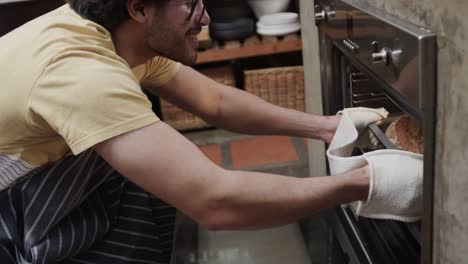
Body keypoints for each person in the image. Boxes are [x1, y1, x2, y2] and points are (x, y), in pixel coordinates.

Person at [0, 0, 370, 263]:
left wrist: (325, 127)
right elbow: (215, 201)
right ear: (140, 8)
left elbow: (215, 102)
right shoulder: (81, 75)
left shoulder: (119, 34)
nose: (205, 17)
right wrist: (364, 184)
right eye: (191, 4)